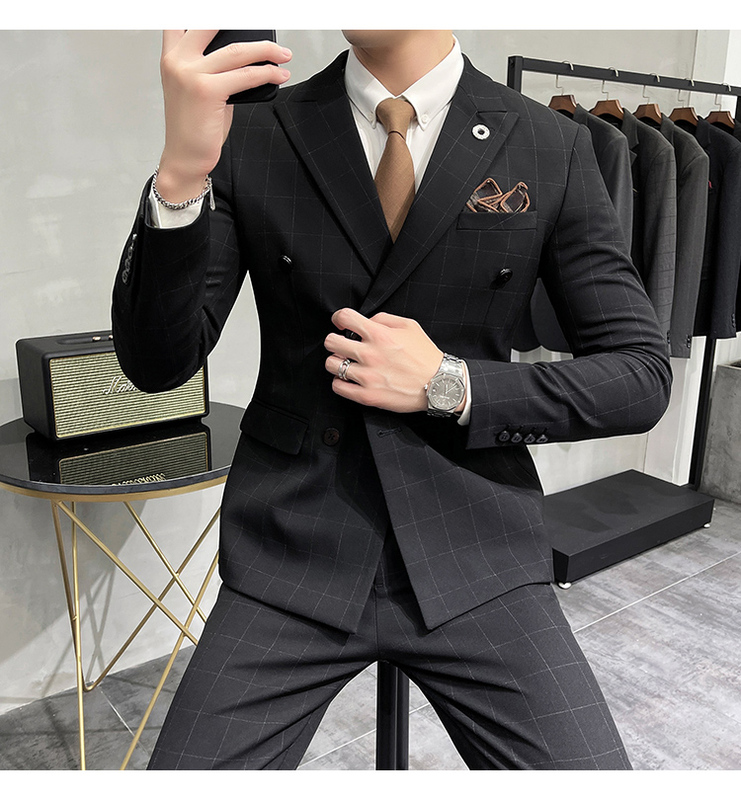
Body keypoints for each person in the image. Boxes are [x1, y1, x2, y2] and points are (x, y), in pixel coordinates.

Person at [112, 29, 672, 770]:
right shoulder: (257, 131)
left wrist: (451, 383)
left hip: (474, 549)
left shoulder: (547, 143)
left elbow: (639, 376)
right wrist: (182, 174)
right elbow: (157, 364)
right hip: (292, 550)